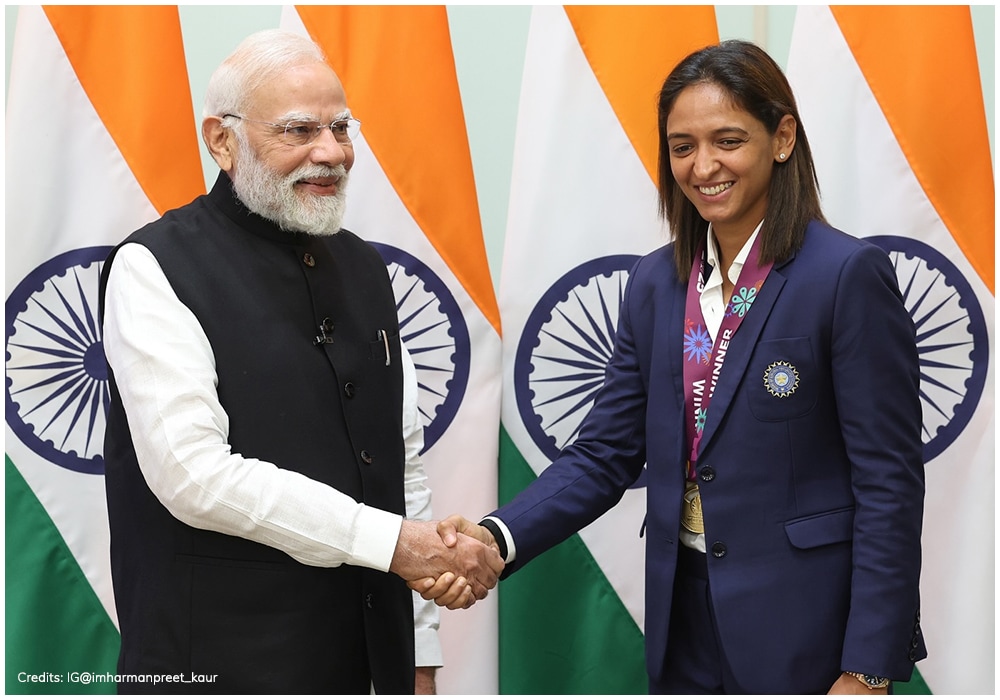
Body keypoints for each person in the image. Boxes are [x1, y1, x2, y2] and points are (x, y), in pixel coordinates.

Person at [414, 39, 926, 694]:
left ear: (783, 137)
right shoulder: (658, 283)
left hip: (808, 635)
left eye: (727, 140)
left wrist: (867, 667)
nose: (703, 165)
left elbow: (889, 483)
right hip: (681, 623)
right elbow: (604, 454)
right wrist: (494, 537)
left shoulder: (845, 275)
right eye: (682, 146)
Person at [99, 29, 502, 694]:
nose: (332, 153)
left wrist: (420, 655)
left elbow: (400, 464)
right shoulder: (154, 266)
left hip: (367, 667)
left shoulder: (366, 267)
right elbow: (193, 476)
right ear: (221, 140)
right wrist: (399, 546)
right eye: (299, 130)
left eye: (341, 128)